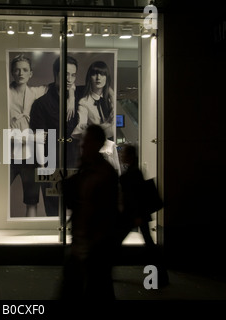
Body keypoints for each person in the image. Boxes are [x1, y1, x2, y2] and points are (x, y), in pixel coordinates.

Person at [61, 124, 119, 301]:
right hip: (86, 244)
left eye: (85, 142)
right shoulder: (89, 169)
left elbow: (101, 211)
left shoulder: (102, 173)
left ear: (95, 144)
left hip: (94, 245)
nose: (81, 146)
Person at [29, 56, 83, 216]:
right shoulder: (41, 104)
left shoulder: (80, 96)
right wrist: (42, 165)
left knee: (78, 209)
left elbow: (104, 88)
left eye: (73, 75)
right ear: (55, 73)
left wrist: (72, 96)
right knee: (53, 211)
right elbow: (39, 138)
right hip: (51, 160)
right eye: (66, 74)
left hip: (75, 159)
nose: (69, 79)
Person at [116, 144, 169, 286]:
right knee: (149, 244)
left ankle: (160, 275)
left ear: (130, 156)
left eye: (123, 153)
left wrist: (136, 215)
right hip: (136, 215)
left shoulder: (132, 173)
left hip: (133, 215)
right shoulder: (135, 172)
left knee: (117, 242)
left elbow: (134, 197)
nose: (121, 155)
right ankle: (161, 275)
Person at [9, 54, 48, 217]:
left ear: (31, 73)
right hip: (7, 155)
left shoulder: (37, 92)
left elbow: (64, 85)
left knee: (32, 201)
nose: (21, 73)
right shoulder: (4, 94)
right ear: (12, 72)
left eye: (25, 70)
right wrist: (31, 138)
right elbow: (0, 130)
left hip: (31, 157)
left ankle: (29, 237)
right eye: (17, 70)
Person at [71, 60, 115, 141]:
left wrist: (112, 96)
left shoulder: (110, 99)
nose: (98, 77)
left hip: (112, 146)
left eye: (102, 74)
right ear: (89, 78)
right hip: (95, 145)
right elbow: (81, 130)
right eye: (94, 74)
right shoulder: (84, 102)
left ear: (106, 77)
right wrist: (107, 124)